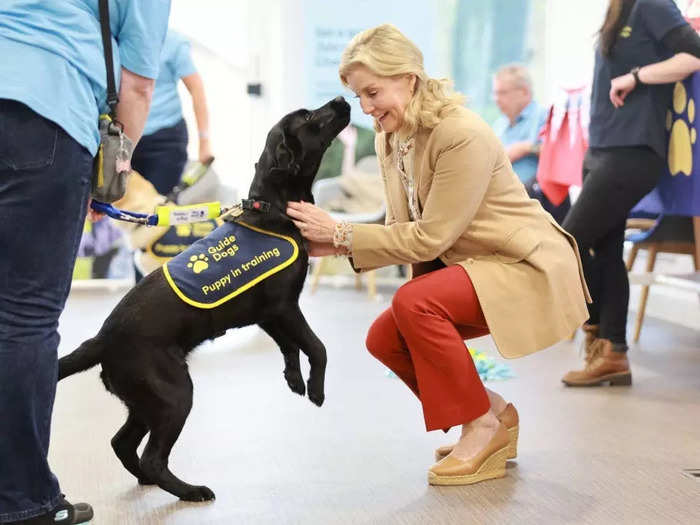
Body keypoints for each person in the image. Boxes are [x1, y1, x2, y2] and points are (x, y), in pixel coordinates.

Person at [286, 24, 590, 486]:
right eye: (357, 95)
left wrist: (343, 231)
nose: (366, 107)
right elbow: (400, 228)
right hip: (475, 266)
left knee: (414, 304)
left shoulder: (460, 133)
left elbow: (430, 237)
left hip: (523, 264)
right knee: (384, 339)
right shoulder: (393, 136)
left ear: (408, 78)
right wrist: (330, 241)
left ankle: (481, 428)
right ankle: (494, 414)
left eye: (372, 92)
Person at [0, 2, 170, 523]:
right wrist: (112, 174)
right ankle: (22, 500)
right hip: (42, 116)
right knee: (23, 317)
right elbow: (138, 86)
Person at [561, 0, 700, 387]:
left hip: (634, 150)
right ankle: (613, 353)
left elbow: (694, 54)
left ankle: (597, 332)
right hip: (603, 148)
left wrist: (636, 77)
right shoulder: (619, 10)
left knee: (567, 242)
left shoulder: (651, 3)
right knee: (604, 251)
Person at [131, 29, 213, 195]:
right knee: (124, 209)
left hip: (164, 141)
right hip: (126, 139)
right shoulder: (119, 38)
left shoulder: (173, 41)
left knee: (159, 208)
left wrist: (204, 142)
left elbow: (196, 89)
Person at [492, 64, 571, 224]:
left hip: (536, 196)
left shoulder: (545, 116)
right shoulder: (499, 125)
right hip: (505, 195)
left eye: (503, 93)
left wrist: (525, 148)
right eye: (495, 93)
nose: (496, 99)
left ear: (524, 92)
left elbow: (560, 152)